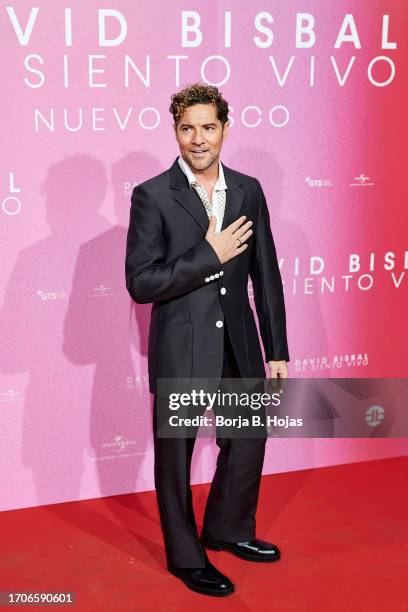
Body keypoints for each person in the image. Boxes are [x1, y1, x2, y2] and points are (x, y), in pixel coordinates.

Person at [125, 82, 289, 597]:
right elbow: (141, 281)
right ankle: (185, 556)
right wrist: (208, 255)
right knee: (176, 455)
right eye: (187, 128)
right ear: (175, 130)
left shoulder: (248, 189)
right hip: (182, 346)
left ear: (224, 128)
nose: (198, 138)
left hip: (239, 343)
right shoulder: (152, 195)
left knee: (247, 440)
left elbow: (266, 274)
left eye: (208, 127)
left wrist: (277, 348)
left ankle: (228, 528)